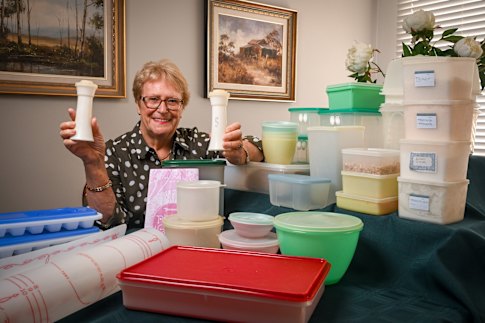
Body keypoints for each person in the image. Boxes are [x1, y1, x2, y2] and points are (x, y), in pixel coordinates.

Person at [60, 59, 264, 230]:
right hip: (138, 254)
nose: (162, 109)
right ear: (139, 105)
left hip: (193, 247)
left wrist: (241, 152)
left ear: (182, 108)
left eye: (172, 101)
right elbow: (107, 221)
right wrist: (93, 163)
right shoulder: (116, 152)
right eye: (153, 99)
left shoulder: (199, 145)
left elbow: (260, 146)